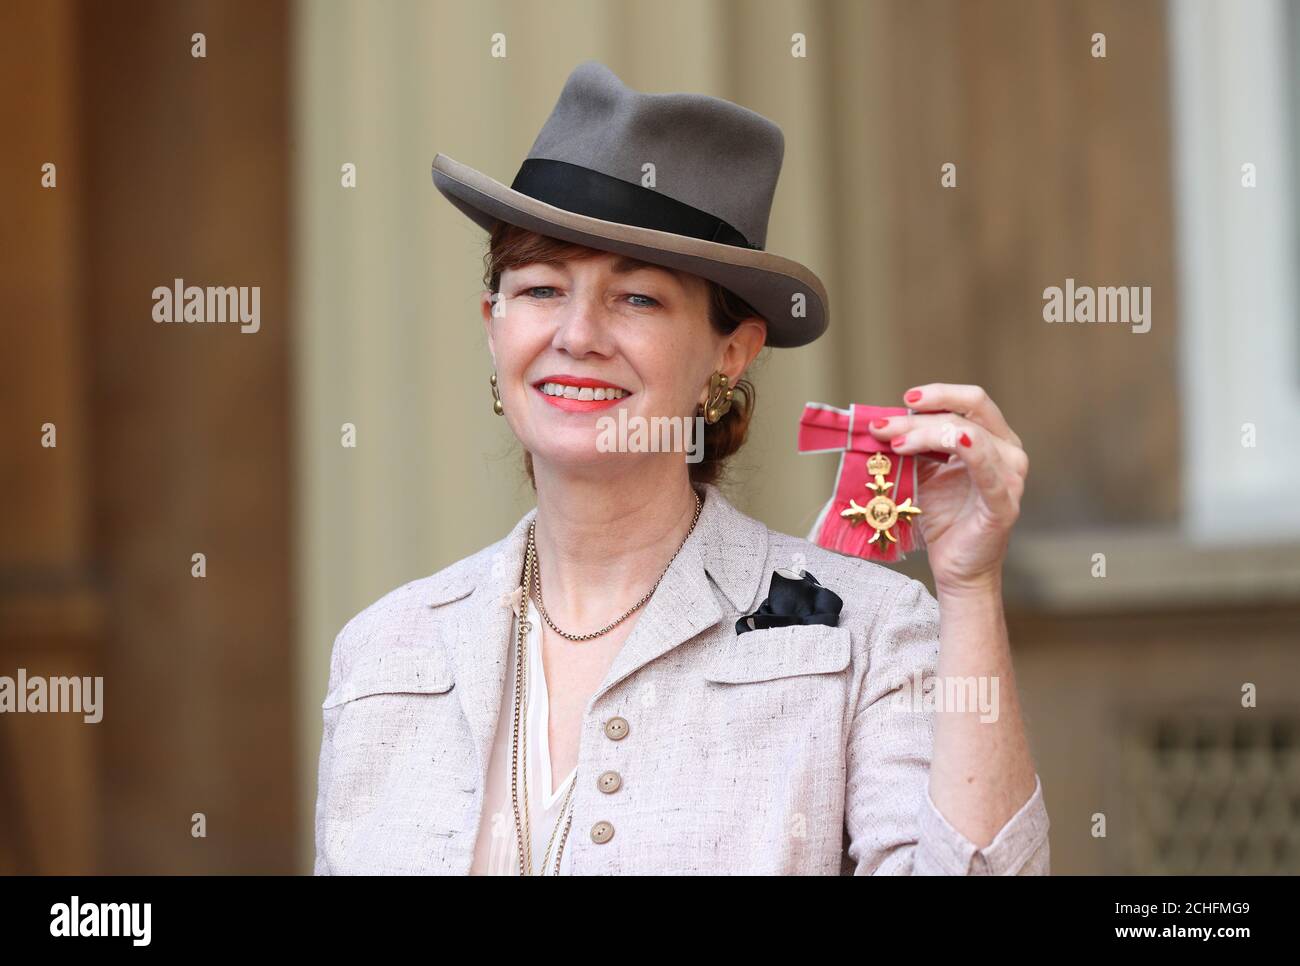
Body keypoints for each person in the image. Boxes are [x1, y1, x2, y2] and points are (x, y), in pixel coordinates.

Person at [314, 60, 1049, 875]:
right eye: (542, 288)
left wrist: (971, 589)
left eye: (638, 299)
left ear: (730, 353)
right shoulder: (384, 653)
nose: (578, 334)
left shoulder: (866, 632)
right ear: (494, 325)